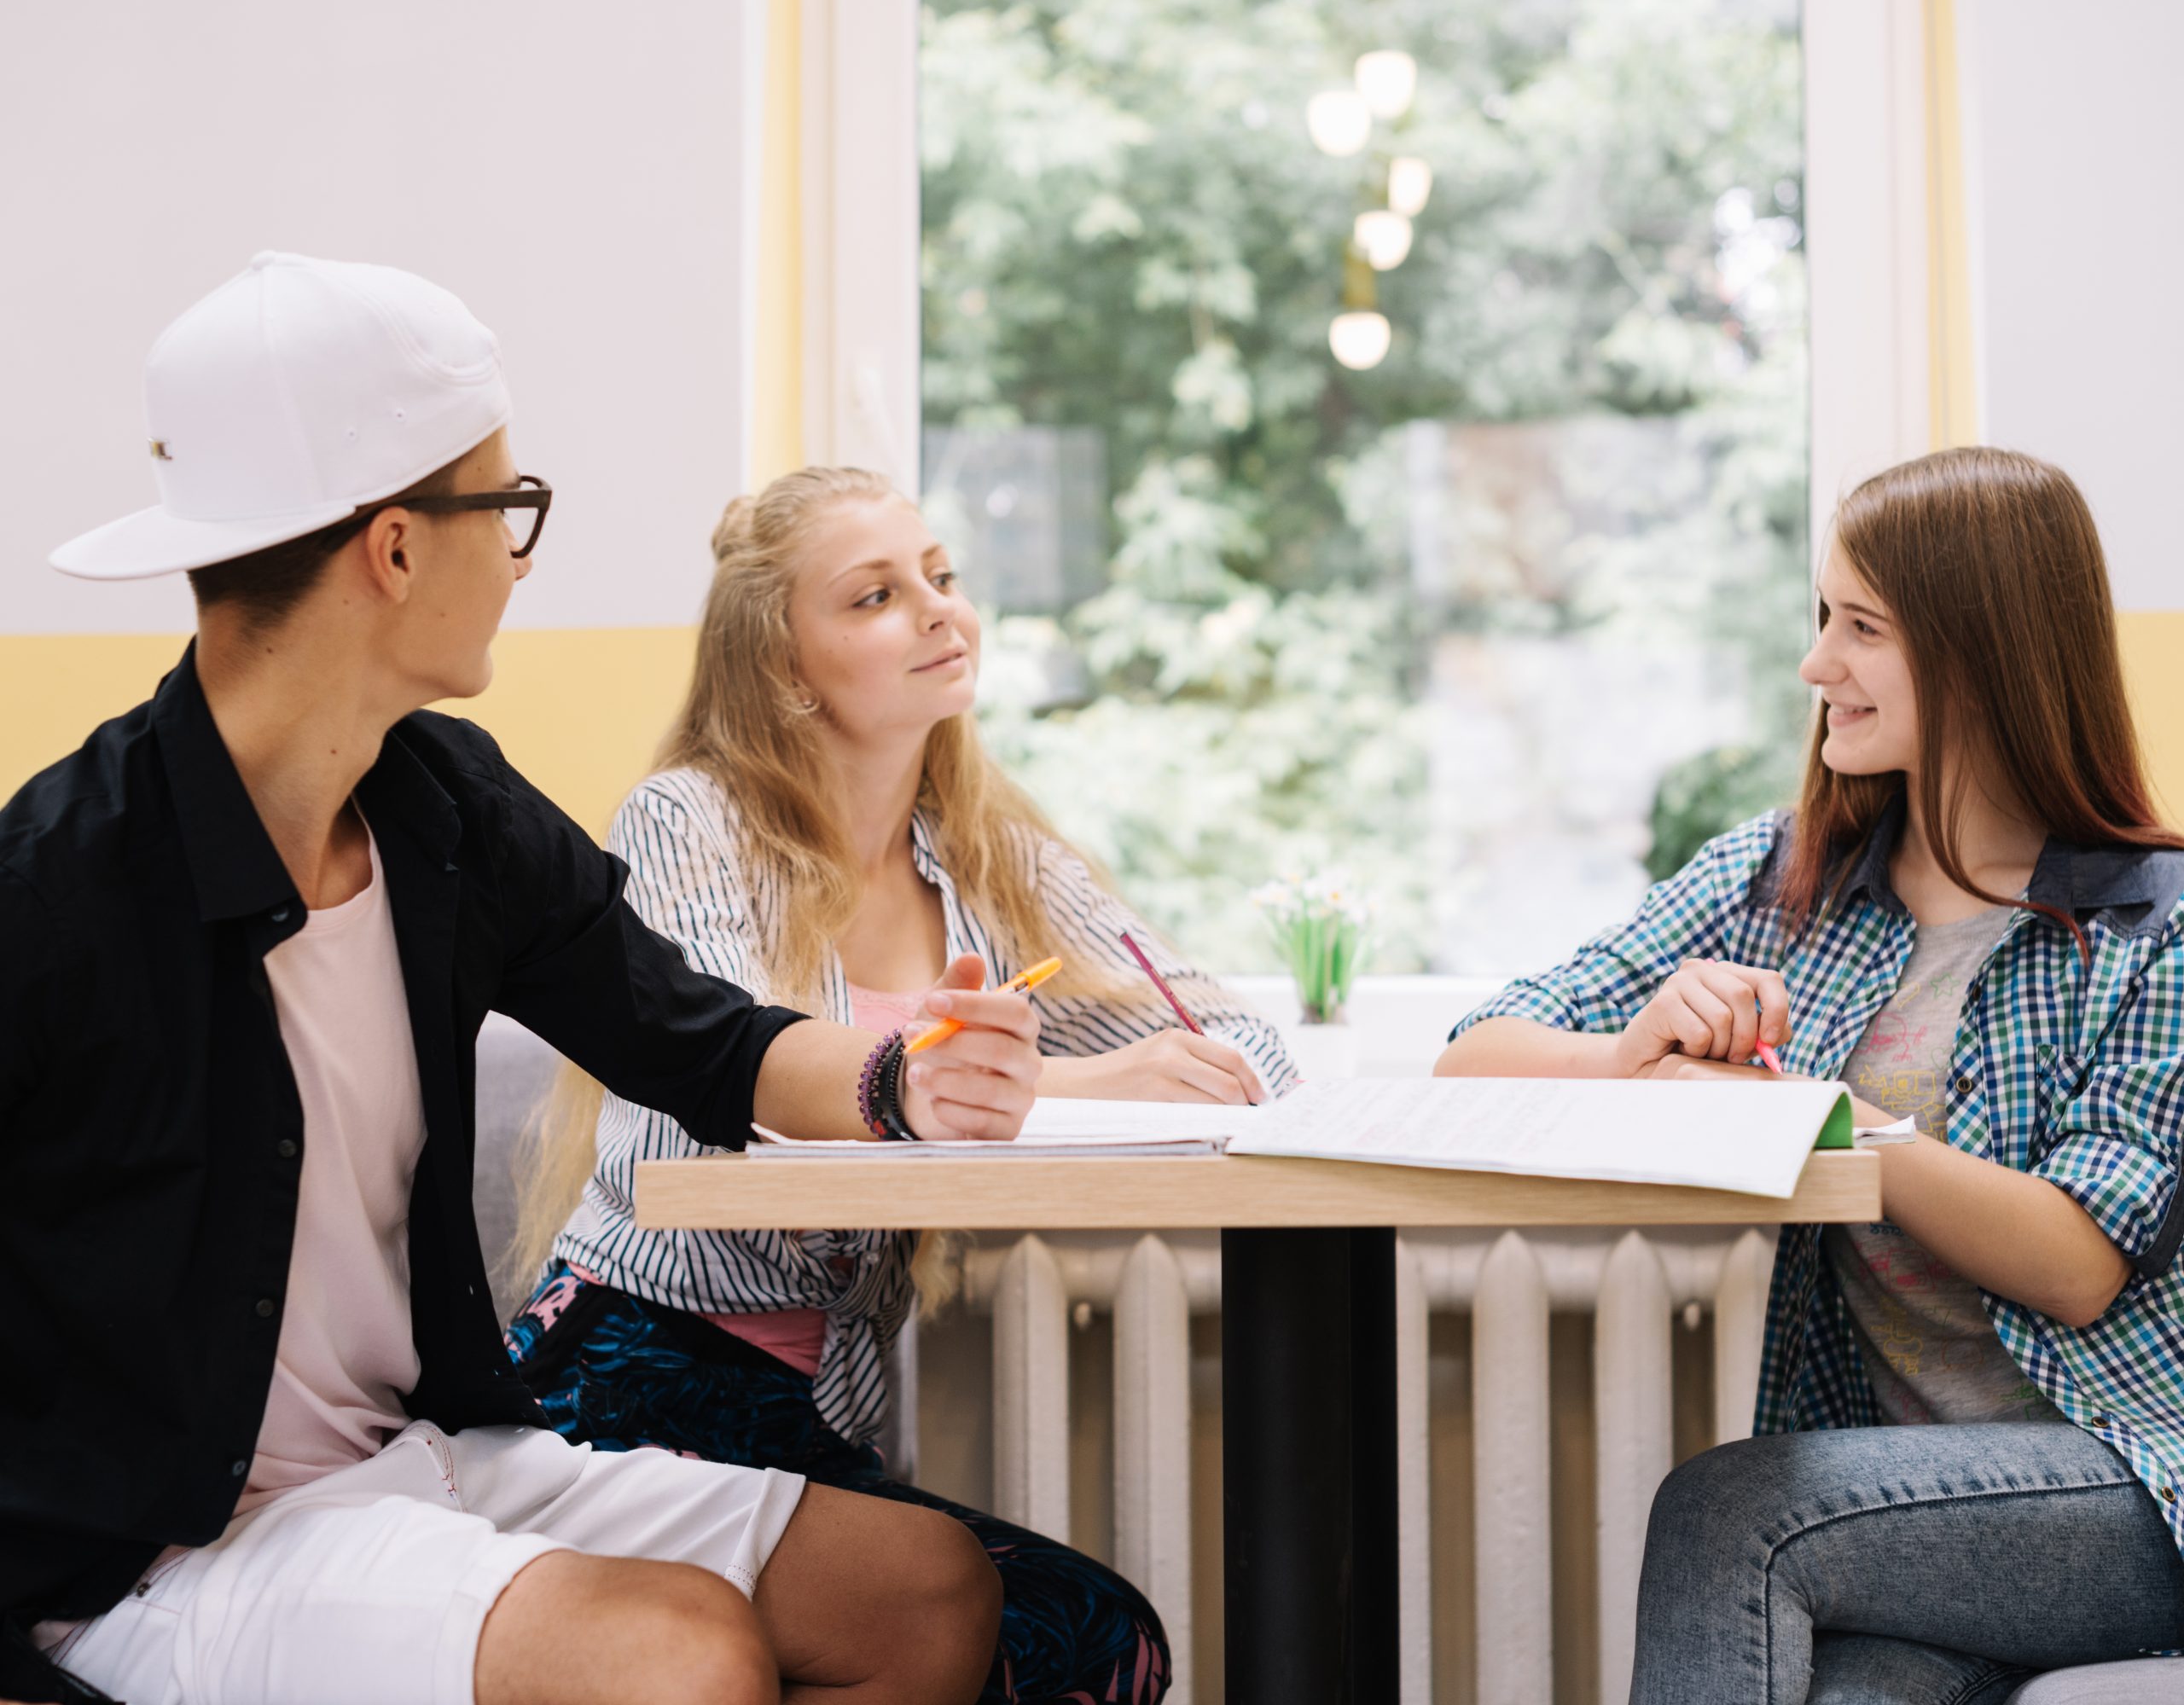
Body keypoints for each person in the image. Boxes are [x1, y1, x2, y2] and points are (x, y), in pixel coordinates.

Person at [0, 253, 1045, 1705]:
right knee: (673, 1652)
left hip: (417, 1464)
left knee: (921, 1594)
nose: (521, 553)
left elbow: (699, 1041)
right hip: (170, 1556)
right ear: (396, 550)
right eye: (507, 507)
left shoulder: (439, 805)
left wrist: (902, 1080)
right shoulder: (56, 890)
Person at [502, 465, 1299, 1705]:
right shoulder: (687, 824)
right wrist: (1073, 1086)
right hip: (630, 1373)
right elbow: (721, 1100)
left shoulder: (989, 852)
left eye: (942, 578)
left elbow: (1238, 1045)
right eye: (876, 596)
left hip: (815, 1409)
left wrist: (1181, 1064)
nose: (939, 613)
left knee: (1101, 1645)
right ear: (783, 667)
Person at [1438, 448, 2184, 1702]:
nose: (1815, 665)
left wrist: (1828, 1121)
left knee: (1734, 1507)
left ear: (1980, 648)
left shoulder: (2154, 923)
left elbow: (2074, 1261)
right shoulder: (1779, 879)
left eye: (1860, 628)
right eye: (1820, 618)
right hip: (1906, 1509)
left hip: (2132, 1482)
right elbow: (1476, 1055)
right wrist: (1629, 1054)